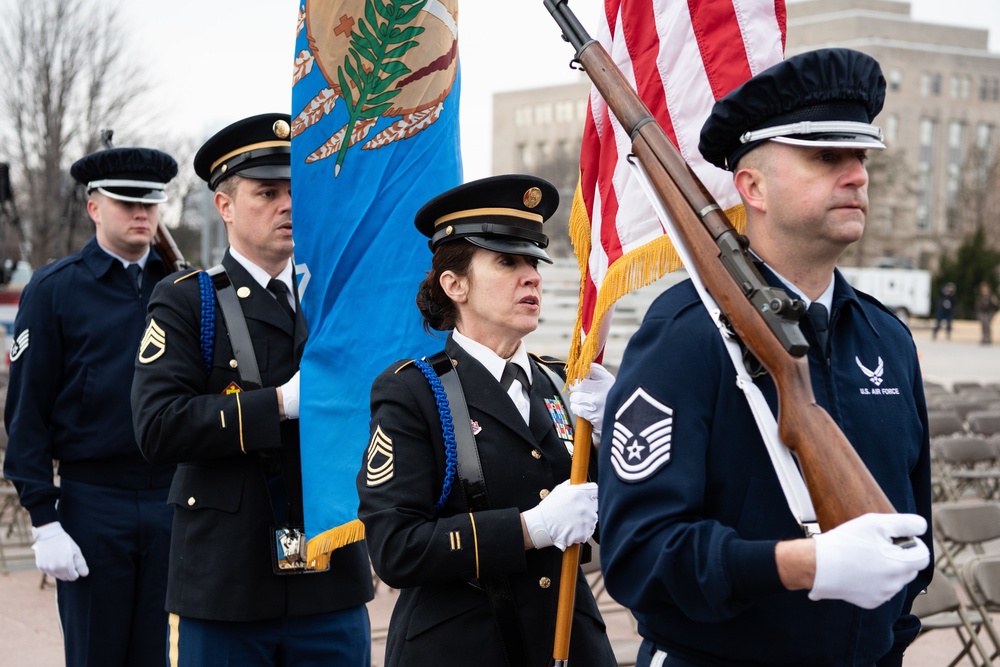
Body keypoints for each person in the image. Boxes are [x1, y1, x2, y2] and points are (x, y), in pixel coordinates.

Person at [597, 49, 933, 667]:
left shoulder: (888, 340)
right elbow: (638, 554)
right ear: (752, 186)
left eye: (860, 156)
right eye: (826, 157)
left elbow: (911, 542)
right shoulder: (686, 337)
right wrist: (800, 565)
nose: (857, 175)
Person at [130, 113, 373, 666]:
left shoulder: (338, 304)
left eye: (297, 191)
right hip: (226, 586)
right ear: (225, 205)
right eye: (266, 192)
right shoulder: (187, 301)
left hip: (330, 581)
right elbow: (158, 426)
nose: (288, 205)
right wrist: (280, 404)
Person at [356, 174, 618, 666]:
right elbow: (396, 549)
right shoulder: (414, 391)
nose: (532, 275)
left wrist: (617, 441)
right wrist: (528, 528)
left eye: (534, 260)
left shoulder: (564, 384)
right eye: (507, 260)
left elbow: (620, 525)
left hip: (569, 643)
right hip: (463, 647)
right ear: (454, 284)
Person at [3, 145, 178, 666]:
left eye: (150, 202)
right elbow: (26, 411)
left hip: (172, 494)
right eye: (127, 202)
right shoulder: (56, 289)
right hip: (93, 500)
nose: (142, 213)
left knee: (160, 654)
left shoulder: (179, 287)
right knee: (96, 654)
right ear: (94, 207)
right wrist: (43, 517)